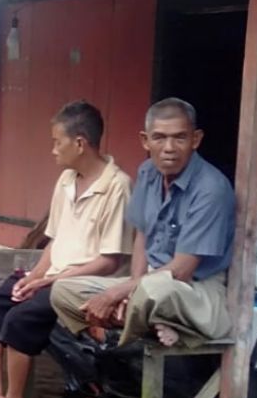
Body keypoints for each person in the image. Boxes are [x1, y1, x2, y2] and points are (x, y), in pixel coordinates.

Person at [0, 101, 133, 398]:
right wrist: (33, 278)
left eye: (57, 142)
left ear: (80, 143)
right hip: (50, 277)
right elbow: (54, 241)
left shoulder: (117, 186)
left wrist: (46, 283)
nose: (52, 150)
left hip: (83, 285)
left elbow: (110, 261)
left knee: (20, 320)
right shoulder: (66, 180)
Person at [51, 97, 235, 349]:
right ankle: (150, 322)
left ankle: (140, 324)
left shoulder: (211, 188)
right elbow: (142, 237)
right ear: (145, 141)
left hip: (193, 290)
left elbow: (182, 270)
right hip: (147, 283)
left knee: (155, 293)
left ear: (196, 139)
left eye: (179, 138)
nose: (169, 147)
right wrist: (131, 288)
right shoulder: (148, 172)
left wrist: (121, 292)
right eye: (159, 138)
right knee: (63, 290)